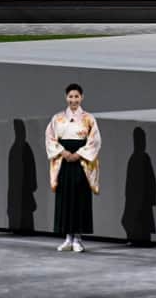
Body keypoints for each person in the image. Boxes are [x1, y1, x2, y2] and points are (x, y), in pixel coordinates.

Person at [45, 83, 102, 252]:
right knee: (65, 198)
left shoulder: (89, 118)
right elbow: (50, 138)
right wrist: (63, 152)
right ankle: (67, 237)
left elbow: (95, 141)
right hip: (64, 161)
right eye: (71, 96)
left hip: (81, 162)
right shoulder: (57, 118)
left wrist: (79, 154)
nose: (73, 100)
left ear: (82, 97)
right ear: (66, 97)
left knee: (80, 198)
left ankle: (78, 238)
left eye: (77, 96)